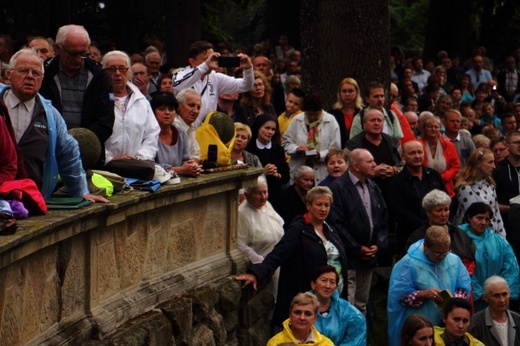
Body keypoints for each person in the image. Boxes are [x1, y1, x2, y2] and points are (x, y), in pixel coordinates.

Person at [0, 48, 107, 203]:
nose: (30, 76)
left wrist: (81, 192)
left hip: (32, 201)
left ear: (42, 79)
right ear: (9, 75)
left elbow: (68, 154)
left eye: (36, 73)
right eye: (24, 71)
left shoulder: (50, 115)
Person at [237, 186, 347, 328]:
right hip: (307, 302)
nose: (323, 209)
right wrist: (256, 274)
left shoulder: (329, 229)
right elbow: (279, 253)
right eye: (319, 204)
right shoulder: (298, 228)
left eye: (327, 205)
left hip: (333, 298)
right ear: (308, 205)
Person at [39, 24, 114, 162]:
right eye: (73, 54)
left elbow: (105, 122)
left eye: (84, 54)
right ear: (57, 49)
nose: (79, 59)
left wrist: (79, 142)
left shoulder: (100, 77)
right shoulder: (44, 74)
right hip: (50, 153)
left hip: (89, 157)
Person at [327, 148, 388, 315]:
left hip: (369, 258)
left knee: (362, 304)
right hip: (349, 258)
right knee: (347, 304)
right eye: (369, 161)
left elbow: (383, 218)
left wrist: (378, 244)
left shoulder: (373, 186)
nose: (374, 164)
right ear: (356, 166)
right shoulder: (338, 188)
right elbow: (336, 224)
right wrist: (357, 248)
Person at [388, 226, 472, 346]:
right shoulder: (408, 263)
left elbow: (463, 285)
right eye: (438, 253)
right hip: (419, 324)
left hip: (447, 325)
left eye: (445, 252)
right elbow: (399, 296)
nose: (442, 256)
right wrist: (423, 294)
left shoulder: (454, 260)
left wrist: (455, 300)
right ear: (426, 247)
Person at [172, 41, 253, 127]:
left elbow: (246, 86)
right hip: (184, 130)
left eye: (212, 59)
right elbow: (177, 87)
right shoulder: (181, 74)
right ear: (192, 61)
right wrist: (205, 66)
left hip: (206, 133)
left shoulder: (215, 77)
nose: (211, 62)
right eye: (205, 59)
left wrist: (248, 69)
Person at [101, 51, 159, 165]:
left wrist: (139, 158)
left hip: (137, 166)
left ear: (129, 72)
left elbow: (152, 134)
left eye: (122, 68)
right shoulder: (97, 100)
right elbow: (93, 136)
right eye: (111, 69)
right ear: (103, 72)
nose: (117, 73)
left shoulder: (141, 101)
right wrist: (109, 158)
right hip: (107, 167)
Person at [459, 203, 519, 310]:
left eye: (487, 219)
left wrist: (501, 292)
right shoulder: (458, 239)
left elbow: (511, 268)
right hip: (472, 300)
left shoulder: (499, 241)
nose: (483, 222)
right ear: (469, 218)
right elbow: (460, 269)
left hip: (497, 299)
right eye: (479, 218)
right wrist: (479, 292)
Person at [390, 141, 446, 255]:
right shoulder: (398, 182)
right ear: (403, 156)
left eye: (419, 152)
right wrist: (424, 225)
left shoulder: (434, 175)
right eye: (412, 153)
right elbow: (400, 210)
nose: (417, 156)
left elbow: (446, 199)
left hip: (438, 232)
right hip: (410, 235)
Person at [238, 175, 283, 295]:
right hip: (261, 271)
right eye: (258, 193)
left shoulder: (267, 206)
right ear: (247, 195)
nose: (263, 197)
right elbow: (240, 245)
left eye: (265, 192)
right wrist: (262, 264)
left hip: (277, 264)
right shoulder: (241, 214)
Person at [282, 93, 341, 186]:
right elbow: (286, 142)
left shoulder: (331, 121)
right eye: (309, 114)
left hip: (321, 172)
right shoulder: (297, 120)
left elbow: (335, 149)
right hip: (300, 167)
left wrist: (320, 155)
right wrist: (297, 149)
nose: (312, 117)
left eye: (315, 114)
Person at [406, 189, 476, 266]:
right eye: (439, 210)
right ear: (428, 212)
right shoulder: (417, 237)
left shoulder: (459, 233)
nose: (444, 214)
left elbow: (470, 257)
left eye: (446, 209)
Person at [454, 149, 506, 237]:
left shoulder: (490, 185)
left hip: (493, 236)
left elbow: (496, 213)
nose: (494, 166)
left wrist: (502, 236)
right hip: (473, 238)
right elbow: (474, 219)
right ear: (478, 164)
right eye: (490, 162)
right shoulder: (465, 188)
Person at [310, 266, 366, 346]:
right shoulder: (301, 306)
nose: (328, 286)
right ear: (313, 284)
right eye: (324, 280)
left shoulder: (346, 310)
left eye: (332, 282)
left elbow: (356, 337)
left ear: (336, 287)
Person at [246, 114, 290, 213]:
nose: (270, 132)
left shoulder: (278, 149)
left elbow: (286, 176)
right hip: (257, 197)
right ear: (258, 128)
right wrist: (263, 172)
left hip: (276, 196)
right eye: (267, 128)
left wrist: (277, 174)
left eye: (273, 129)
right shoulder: (250, 149)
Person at [151, 92, 200, 177]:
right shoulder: (149, 135)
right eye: (162, 109)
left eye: (171, 109)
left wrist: (192, 167)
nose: (167, 113)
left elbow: (186, 160)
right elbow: (150, 167)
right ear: (153, 112)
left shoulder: (181, 133)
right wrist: (180, 170)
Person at [266, 292, 334, 346]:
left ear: (315, 318)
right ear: (290, 314)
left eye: (307, 314)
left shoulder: (326, 344)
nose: (302, 318)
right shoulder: (275, 343)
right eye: (297, 312)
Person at [469, 276, 520, 346]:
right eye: (496, 296)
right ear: (485, 298)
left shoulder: (517, 319)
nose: (502, 300)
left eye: (505, 294)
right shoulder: (475, 323)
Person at [418, 116, 460, 197]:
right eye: (430, 126)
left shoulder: (449, 145)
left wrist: (442, 177)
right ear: (424, 129)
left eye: (436, 127)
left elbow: (456, 166)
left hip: (445, 185)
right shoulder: (418, 144)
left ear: (440, 129)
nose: (433, 129)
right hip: (423, 184)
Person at [329, 77, 363, 147]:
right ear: (339, 93)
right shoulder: (333, 112)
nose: (347, 94)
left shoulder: (362, 112)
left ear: (356, 92)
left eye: (350, 91)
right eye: (344, 91)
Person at [281, 165, 315, 230]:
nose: (309, 183)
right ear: (296, 179)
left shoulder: (313, 195)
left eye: (311, 180)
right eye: (306, 180)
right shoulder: (286, 195)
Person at [174, 88, 202, 162]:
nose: (195, 111)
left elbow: (196, 155)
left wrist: (192, 165)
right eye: (191, 105)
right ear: (179, 105)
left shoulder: (191, 127)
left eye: (198, 107)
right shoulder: (172, 125)